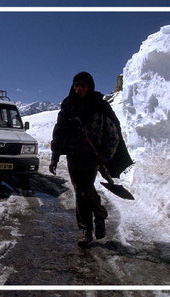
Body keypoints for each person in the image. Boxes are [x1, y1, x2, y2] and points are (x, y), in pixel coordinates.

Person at [49, 72, 120, 248]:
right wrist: (54, 157)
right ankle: (86, 230)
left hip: (93, 157)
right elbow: (59, 134)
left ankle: (99, 213)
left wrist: (105, 156)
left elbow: (113, 135)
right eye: (76, 85)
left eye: (83, 85)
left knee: (85, 189)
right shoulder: (68, 106)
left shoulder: (100, 106)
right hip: (74, 155)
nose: (79, 88)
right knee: (80, 191)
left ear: (90, 86)